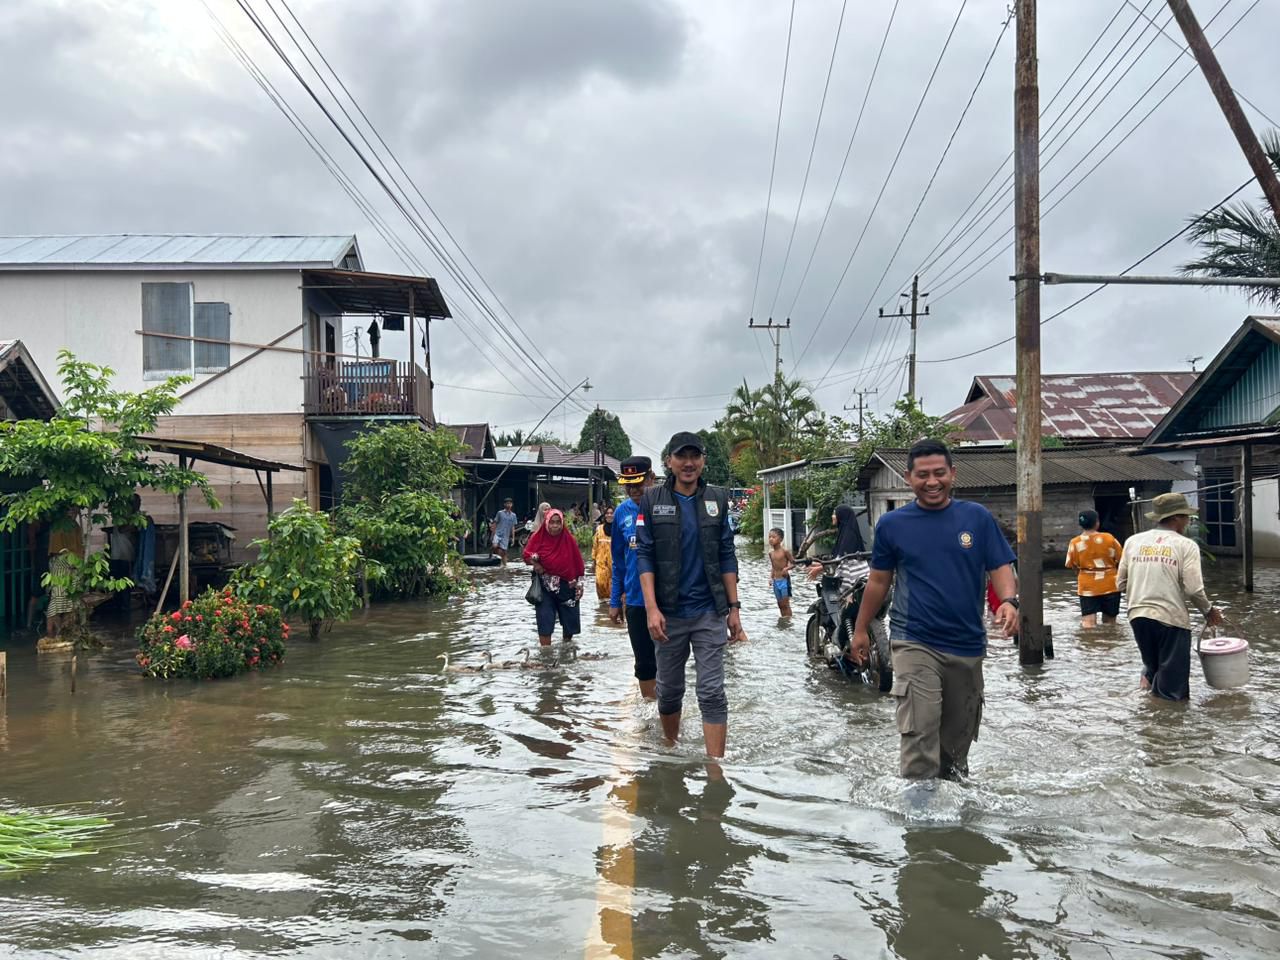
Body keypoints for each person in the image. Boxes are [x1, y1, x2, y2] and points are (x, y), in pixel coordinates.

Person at [851, 440, 1019, 781]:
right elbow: (879, 582)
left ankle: (954, 824)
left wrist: (1009, 602)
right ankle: (919, 826)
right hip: (914, 641)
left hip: (968, 645)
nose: (932, 482)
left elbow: (1000, 566)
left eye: (939, 473)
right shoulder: (892, 525)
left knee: (955, 753)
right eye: (923, 475)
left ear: (952, 474)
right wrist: (860, 629)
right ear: (908, 478)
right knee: (920, 734)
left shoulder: (977, 518)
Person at [636, 432, 742, 758]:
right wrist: (651, 609)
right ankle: (670, 748)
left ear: (703, 461)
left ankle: (715, 769)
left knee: (711, 691)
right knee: (668, 693)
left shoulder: (717, 500)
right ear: (669, 461)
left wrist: (734, 608)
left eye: (695, 456)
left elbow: (726, 554)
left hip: (709, 611)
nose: (689, 463)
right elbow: (645, 555)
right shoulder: (652, 500)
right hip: (668, 613)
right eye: (681, 457)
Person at [1116, 492, 1223, 701]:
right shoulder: (1186, 545)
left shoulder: (1133, 542)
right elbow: (1193, 589)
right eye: (1186, 517)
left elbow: (1120, 583)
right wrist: (1209, 612)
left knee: (1153, 667)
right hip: (1171, 620)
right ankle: (1168, 726)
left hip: (1138, 616)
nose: (1188, 521)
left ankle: (1145, 710)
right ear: (1176, 518)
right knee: (1173, 692)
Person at [610, 456, 659, 701]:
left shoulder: (667, 507)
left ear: (651, 479)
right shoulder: (621, 513)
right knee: (644, 663)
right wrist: (614, 601)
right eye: (628, 485)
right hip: (636, 601)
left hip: (667, 599)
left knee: (671, 660)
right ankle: (650, 713)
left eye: (638, 484)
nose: (633, 490)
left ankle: (671, 713)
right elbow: (618, 562)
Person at [522, 508, 586, 646]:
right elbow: (527, 555)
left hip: (567, 586)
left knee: (569, 624)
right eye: (551, 522)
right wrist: (536, 563)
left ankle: (566, 650)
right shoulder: (537, 538)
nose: (555, 526)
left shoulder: (569, 540)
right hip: (545, 588)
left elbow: (578, 564)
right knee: (544, 621)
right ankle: (546, 656)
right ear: (546, 523)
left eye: (558, 522)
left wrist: (580, 585)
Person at [1066, 509, 1124, 628]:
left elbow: (1072, 564)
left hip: (1087, 585)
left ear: (1081, 524)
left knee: (1088, 622)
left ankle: (1090, 644)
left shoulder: (1074, 542)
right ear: (1097, 523)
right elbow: (1122, 559)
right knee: (1110, 622)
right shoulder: (1109, 538)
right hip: (1110, 584)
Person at [805, 505, 869, 587]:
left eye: (834, 514)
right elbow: (837, 557)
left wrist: (819, 568)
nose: (832, 516)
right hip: (848, 576)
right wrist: (819, 564)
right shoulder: (844, 532)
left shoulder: (849, 535)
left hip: (854, 578)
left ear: (841, 516)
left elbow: (841, 560)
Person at [45, 508, 85, 638]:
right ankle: (53, 632)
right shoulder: (59, 526)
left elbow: (80, 548)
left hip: (75, 565)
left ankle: (65, 632)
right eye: (70, 510)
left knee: (72, 601)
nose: (72, 513)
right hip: (61, 563)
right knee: (57, 597)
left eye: (75, 511)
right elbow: (57, 551)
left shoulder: (76, 526)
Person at [766, 528, 795, 617]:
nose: (771, 539)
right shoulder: (771, 553)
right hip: (775, 581)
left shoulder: (784, 551)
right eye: (769, 537)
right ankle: (783, 620)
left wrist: (787, 568)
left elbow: (794, 563)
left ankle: (789, 620)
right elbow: (773, 567)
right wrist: (770, 578)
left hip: (784, 581)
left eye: (774, 537)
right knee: (780, 604)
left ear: (780, 539)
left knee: (786, 604)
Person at [593, 505, 615, 600]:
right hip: (601, 562)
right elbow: (595, 545)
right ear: (604, 515)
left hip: (614, 562)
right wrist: (594, 559)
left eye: (611, 513)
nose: (609, 515)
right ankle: (602, 606)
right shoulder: (599, 529)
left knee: (613, 585)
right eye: (607, 513)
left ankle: (611, 605)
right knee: (600, 582)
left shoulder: (618, 529)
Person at [490, 498, 519, 565]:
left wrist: (513, 538)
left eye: (510, 503)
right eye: (507, 503)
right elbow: (495, 523)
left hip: (505, 535)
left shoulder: (513, 515)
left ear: (512, 505)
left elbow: (512, 527)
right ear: (504, 504)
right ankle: (491, 551)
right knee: (494, 546)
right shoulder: (500, 513)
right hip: (498, 533)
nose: (508, 505)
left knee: (504, 552)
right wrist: (492, 534)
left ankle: (504, 565)